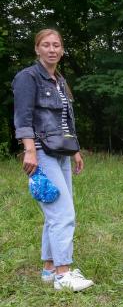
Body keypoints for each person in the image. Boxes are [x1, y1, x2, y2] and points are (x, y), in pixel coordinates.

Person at [12, 29, 93, 291]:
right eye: (46, 45)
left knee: (54, 214)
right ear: (37, 49)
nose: (52, 49)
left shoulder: (59, 80)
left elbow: (66, 121)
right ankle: (63, 275)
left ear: (62, 49)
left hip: (61, 152)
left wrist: (75, 149)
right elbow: (23, 117)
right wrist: (29, 150)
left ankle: (49, 270)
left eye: (56, 45)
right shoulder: (28, 78)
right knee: (62, 213)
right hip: (41, 151)